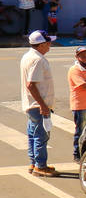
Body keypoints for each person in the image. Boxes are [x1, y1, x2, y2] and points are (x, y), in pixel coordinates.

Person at [20, 30, 56, 176]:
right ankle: (40, 166)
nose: (50, 45)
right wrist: (43, 105)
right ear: (41, 44)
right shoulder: (37, 60)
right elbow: (31, 84)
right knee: (41, 136)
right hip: (37, 105)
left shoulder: (29, 56)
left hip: (31, 104)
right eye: (48, 43)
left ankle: (33, 163)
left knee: (33, 135)